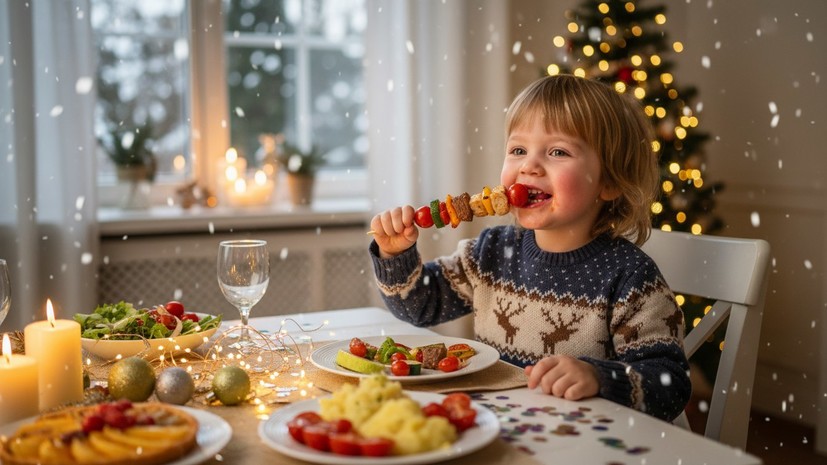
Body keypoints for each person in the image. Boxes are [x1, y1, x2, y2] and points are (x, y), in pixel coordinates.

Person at [368, 74, 691, 421]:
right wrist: (395, 255)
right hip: (498, 426)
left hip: (582, 440)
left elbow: (670, 384)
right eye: (518, 150)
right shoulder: (489, 252)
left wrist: (599, 378)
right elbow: (419, 307)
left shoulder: (630, 277)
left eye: (558, 152)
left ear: (608, 182)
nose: (529, 165)